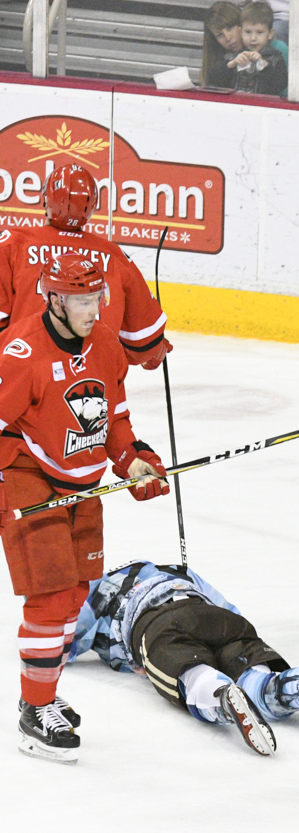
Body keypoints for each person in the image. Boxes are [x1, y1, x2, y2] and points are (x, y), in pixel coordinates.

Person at [0, 252, 170, 764]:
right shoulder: (21, 352)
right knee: (50, 599)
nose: (94, 308)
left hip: (83, 484)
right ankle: (36, 710)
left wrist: (134, 463)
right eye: (80, 300)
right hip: (28, 476)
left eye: (97, 296)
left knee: (75, 596)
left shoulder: (104, 345)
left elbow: (114, 420)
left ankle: (42, 688)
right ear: (53, 300)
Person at [68, 561, 299, 756]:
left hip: (157, 623)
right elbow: (229, 609)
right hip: (215, 616)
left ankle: (223, 697)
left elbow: (60, 643)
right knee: (259, 681)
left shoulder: (95, 589)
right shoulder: (175, 569)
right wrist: (242, 654)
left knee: (192, 672)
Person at [0, 164, 171, 371]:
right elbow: (145, 342)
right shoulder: (115, 256)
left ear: (46, 198)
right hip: (97, 383)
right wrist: (156, 352)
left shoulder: (12, 245)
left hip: (29, 379)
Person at [213, 1, 289, 97]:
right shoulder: (231, 56)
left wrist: (264, 66)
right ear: (241, 32)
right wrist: (231, 65)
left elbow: (280, 85)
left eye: (259, 32)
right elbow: (215, 82)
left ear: (270, 34)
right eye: (248, 32)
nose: (253, 38)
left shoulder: (275, 58)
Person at [202, 1, 243, 87]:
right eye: (220, 35)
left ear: (241, 23)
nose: (228, 38)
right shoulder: (216, 66)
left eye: (229, 28)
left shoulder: (273, 49)